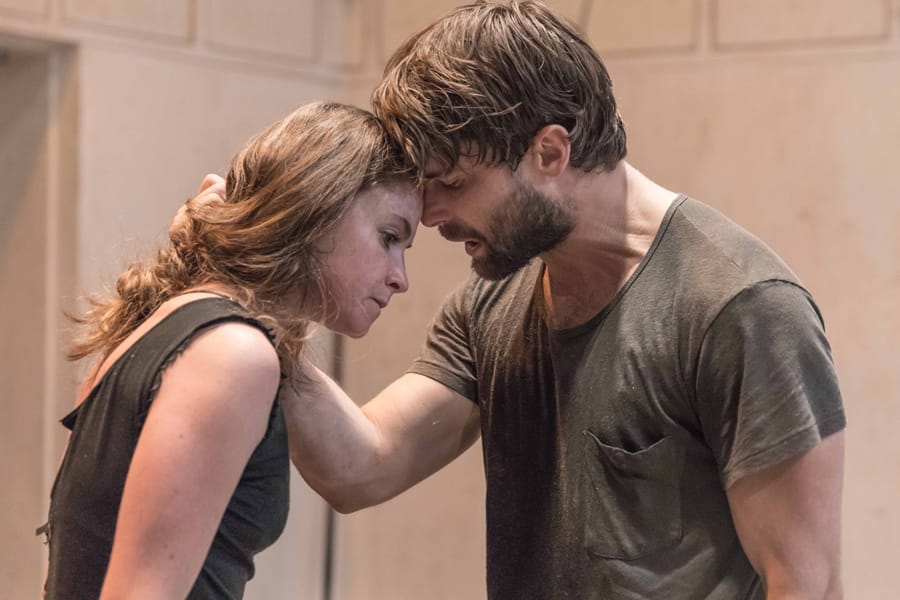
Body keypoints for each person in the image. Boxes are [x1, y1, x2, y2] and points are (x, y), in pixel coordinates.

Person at [203, 2, 845, 598]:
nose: (430, 216)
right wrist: (245, 293)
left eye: (452, 183)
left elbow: (805, 585)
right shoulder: (490, 305)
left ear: (549, 152)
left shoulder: (740, 307)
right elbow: (362, 467)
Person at [39, 101, 422, 599]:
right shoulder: (233, 353)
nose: (401, 278)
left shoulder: (173, 327)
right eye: (389, 237)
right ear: (316, 205)